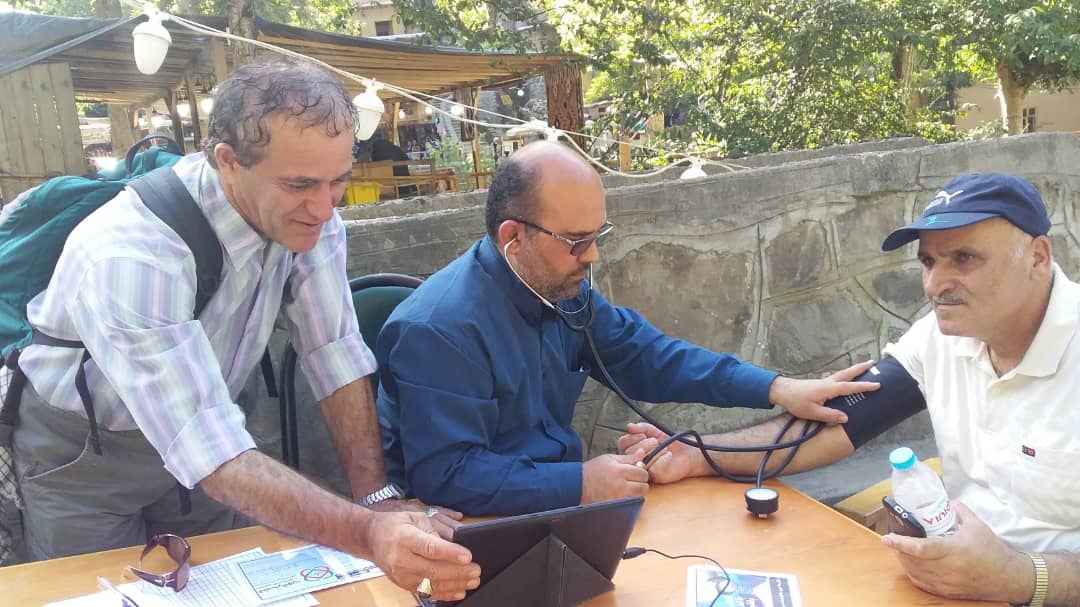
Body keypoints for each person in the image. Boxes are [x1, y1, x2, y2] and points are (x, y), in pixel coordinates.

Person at [7, 56, 478, 602]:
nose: (323, 209)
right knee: (96, 595)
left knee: (226, 592)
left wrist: (377, 499)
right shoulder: (133, 253)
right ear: (227, 162)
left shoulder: (312, 216)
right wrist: (370, 534)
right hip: (84, 457)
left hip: (208, 447)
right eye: (300, 184)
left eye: (338, 182)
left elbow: (335, 352)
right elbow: (208, 449)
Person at [619, 172, 1080, 606]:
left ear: (1037, 257)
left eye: (964, 258)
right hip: (948, 587)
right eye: (928, 261)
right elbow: (836, 423)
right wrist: (698, 454)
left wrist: (1018, 577)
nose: (935, 284)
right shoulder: (940, 338)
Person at [376, 140, 878, 516]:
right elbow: (446, 474)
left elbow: (650, 357)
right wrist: (580, 484)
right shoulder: (436, 329)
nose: (592, 255)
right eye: (577, 241)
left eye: (598, 236)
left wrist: (776, 387)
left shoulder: (557, 289)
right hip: (469, 530)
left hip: (559, 510)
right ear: (513, 238)